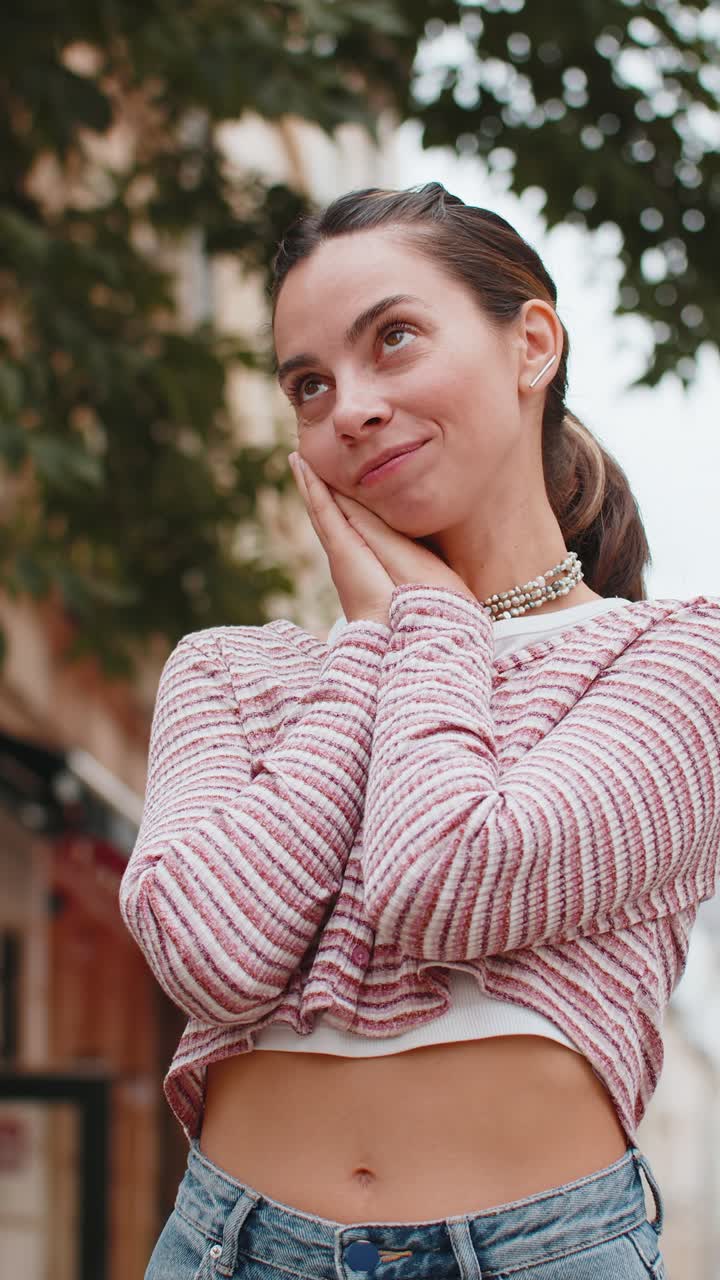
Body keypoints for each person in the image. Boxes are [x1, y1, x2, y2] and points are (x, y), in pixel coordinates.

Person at [120, 182, 720, 1279]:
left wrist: (429, 617)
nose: (348, 405)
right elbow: (212, 953)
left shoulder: (678, 660)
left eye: (392, 339)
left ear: (531, 341)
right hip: (229, 1247)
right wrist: (377, 640)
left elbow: (443, 874)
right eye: (309, 384)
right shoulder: (226, 667)